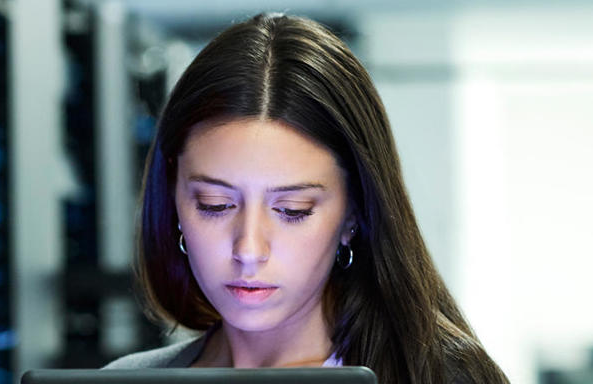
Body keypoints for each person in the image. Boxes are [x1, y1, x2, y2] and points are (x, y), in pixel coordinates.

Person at [103, 13, 507, 384]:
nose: (248, 249)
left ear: (353, 212)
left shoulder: (440, 377)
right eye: (215, 204)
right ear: (173, 197)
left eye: (291, 211)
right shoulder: (126, 380)